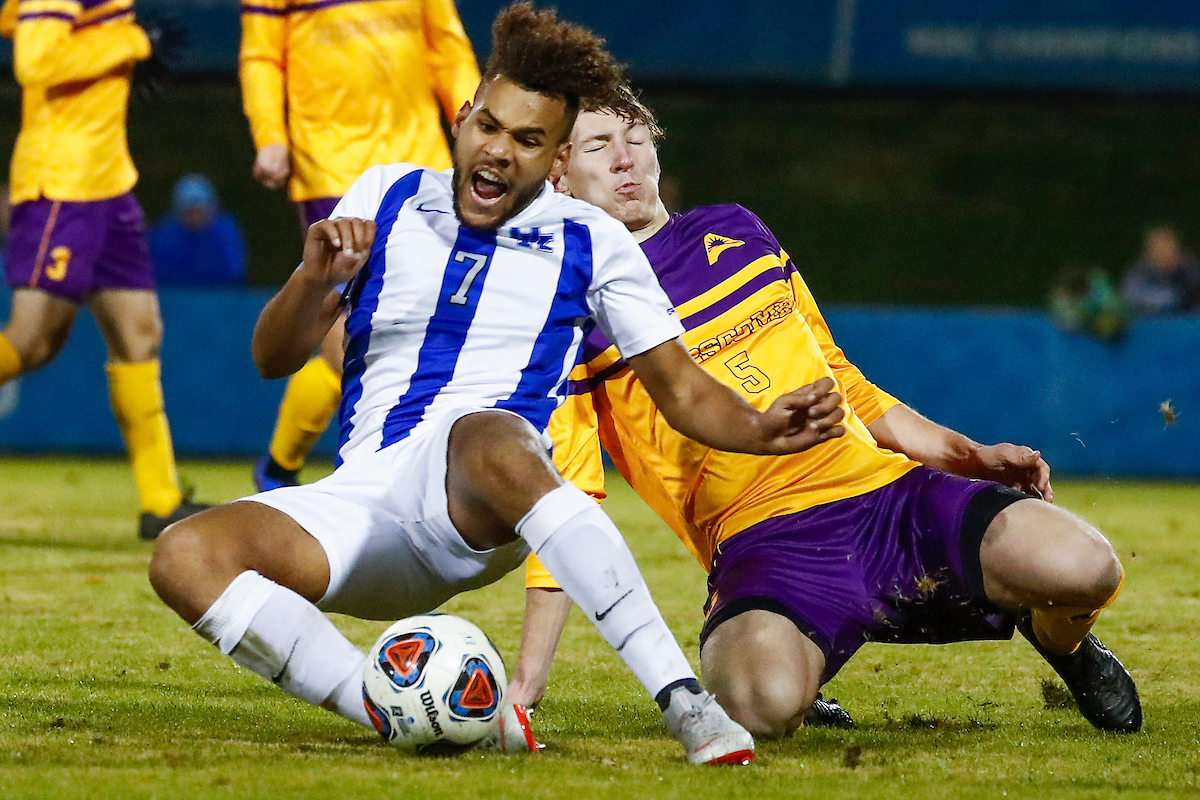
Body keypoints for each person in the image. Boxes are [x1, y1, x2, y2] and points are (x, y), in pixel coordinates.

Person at [148, 3, 849, 765]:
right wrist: (315, 279)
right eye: (488, 126)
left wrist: (757, 427)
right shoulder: (384, 195)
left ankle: (686, 703)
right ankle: (393, 711)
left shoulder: (594, 240)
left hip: (486, 492)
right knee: (183, 556)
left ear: (553, 161)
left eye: (527, 140)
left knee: (482, 431)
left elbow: (681, 390)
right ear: (461, 118)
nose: (498, 151)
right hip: (368, 503)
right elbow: (272, 357)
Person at [507, 89, 1143, 738]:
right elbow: (571, 491)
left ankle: (1063, 647)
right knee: (761, 704)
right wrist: (527, 686)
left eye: (635, 137)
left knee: (1086, 568)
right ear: (558, 172)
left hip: (886, 497)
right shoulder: (569, 306)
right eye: (597, 145)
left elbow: (843, 382)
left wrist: (969, 455)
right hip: (765, 539)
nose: (624, 158)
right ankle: (793, 647)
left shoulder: (736, 230)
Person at [240, 0, 482, 491]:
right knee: (353, 336)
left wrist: (477, 125)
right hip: (331, 164)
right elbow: (261, 56)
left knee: (417, 327)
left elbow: (447, 46)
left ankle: (279, 468)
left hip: (422, 166)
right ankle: (369, 476)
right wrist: (270, 135)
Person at [0, 0, 206, 540]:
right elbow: (34, 62)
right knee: (31, 341)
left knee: (140, 336)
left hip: (108, 183)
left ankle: (160, 501)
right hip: (61, 185)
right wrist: (130, 44)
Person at [150, 174, 247, 287]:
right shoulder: (166, 234)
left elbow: (235, 272)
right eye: (189, 210)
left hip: (219, 296)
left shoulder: (225, 231)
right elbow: (158, 274)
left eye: (199, 210)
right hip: (176, 297)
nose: (194, 216)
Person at [1120, 225, 1200, 315]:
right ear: (1147, 253)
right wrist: (1173, 297)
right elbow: (1129, 298)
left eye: (1167, 247)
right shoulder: (1137, 274)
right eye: (1157, 249)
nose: (1163, 253)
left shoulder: (1191, 270)